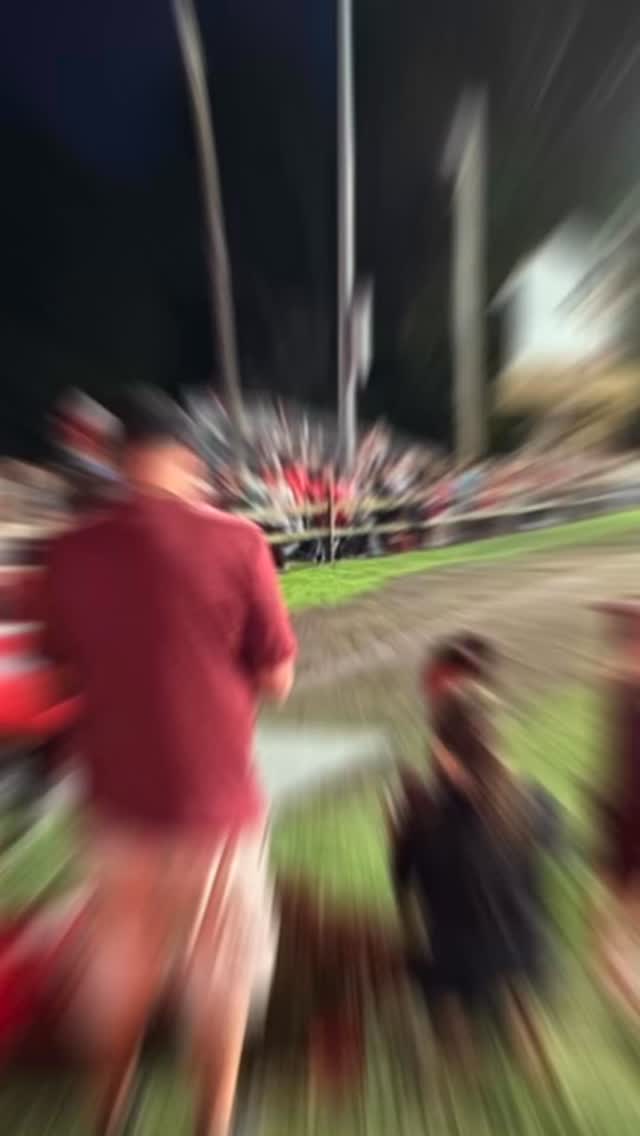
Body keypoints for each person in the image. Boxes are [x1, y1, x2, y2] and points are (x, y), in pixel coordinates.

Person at [43, 387, 297, 1136]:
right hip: (216, 808)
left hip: (117, 808)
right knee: (221, 979)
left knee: (119, 972)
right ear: (188, 460)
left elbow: (65, 675)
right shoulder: (238, 543)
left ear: (123, 462)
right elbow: (278, 679)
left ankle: (109, 1114)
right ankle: (212, 1127)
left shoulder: (68, 551)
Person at [390, 658, 560, 1081]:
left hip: (456, 961)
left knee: (439, 974)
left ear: (442, 752)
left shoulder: (422, 815)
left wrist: (398, 825)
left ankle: (458, 1044)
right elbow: (557, 843)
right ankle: (523, 1024)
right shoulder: (532, 800)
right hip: (527, 949)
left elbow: (403, 884)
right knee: (507, 964)